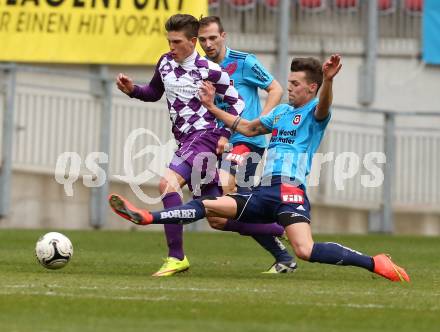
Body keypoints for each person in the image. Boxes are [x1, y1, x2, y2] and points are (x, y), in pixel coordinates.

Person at [109, 53, 410, 282]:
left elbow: (324, 104)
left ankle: (375, 263)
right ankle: (148, 217)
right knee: (209, 206)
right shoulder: (280, 112)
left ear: (312, 87)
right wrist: (213, 108)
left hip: (291, 191)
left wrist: (329, 81)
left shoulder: (314, 114)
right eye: (288, 83)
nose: (288, 88)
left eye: (295, 84)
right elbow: (249, 128)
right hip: (265, 191)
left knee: (305, 251)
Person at [115, 14, 291, 277]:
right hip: (186, 141)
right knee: (217, 216)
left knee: (168, 184)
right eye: (169, 41)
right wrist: (132, 90)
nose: (171, 47)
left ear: (191, 41)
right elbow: (153, 93)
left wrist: (224, 133)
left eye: (176, 41)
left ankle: (176, 257)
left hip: (207, 137)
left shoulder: (211, 71)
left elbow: (238, 103)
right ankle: (279, 228)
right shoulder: (164, 63)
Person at [197, 16, 297, 273]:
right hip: (217, 143)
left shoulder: (243, 62)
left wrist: (258, 122)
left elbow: (275, 88)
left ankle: (281, 230)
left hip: (245, 140)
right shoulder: (201, 68)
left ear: (223, 35)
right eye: (202, 40)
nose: (208, 44)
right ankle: (282, 249)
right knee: (223, 216)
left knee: (226, 188)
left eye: (212, 38)